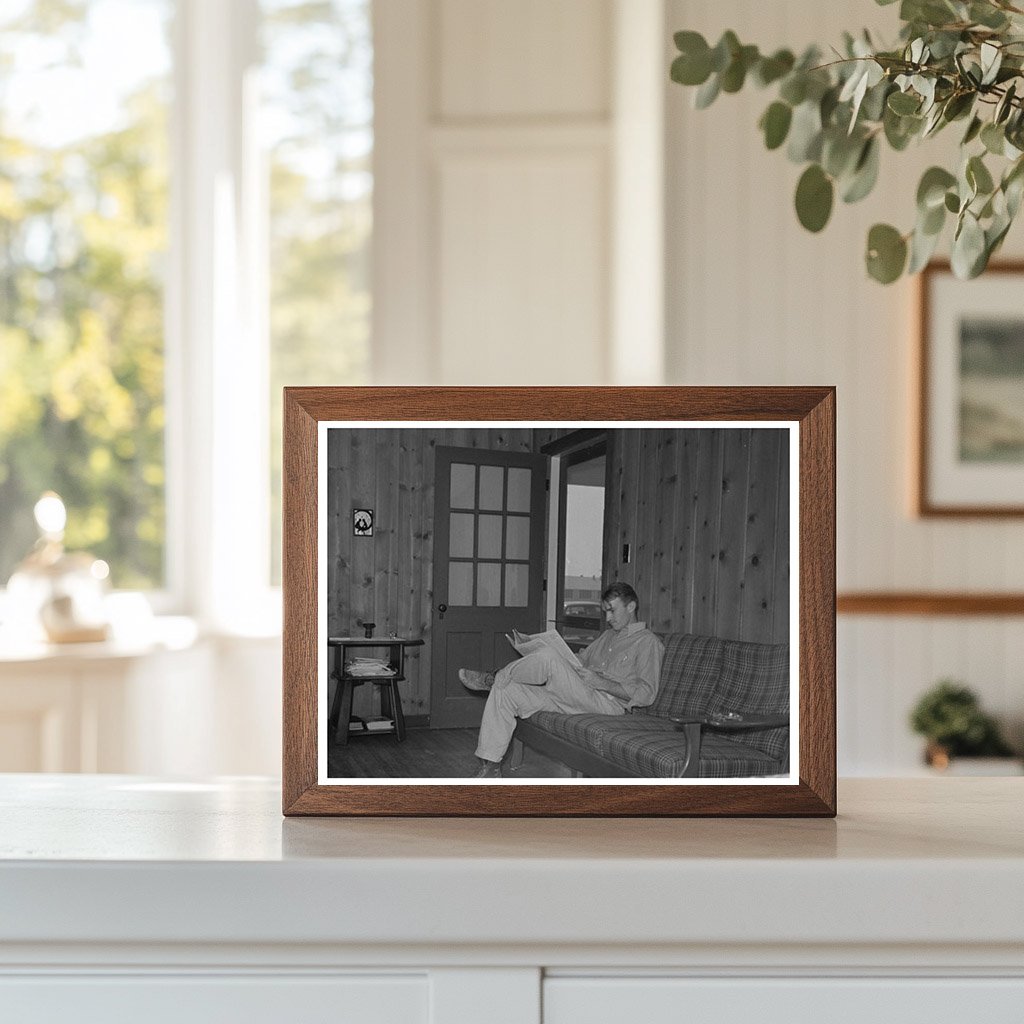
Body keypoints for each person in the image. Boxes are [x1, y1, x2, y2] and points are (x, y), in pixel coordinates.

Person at [458, 582, 664, 778]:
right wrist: (552, 651)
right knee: (507, 690)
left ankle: (495, 676)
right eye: (605, 611)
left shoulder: (648, 642)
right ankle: (491, 769)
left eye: (612, 610)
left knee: (544, 659)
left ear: (631, 606)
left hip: (607, 703)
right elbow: (581, 659)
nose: (608, 617)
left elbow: (647, 694)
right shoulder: (608, 636)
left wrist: (602, 683)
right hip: (576, 693)